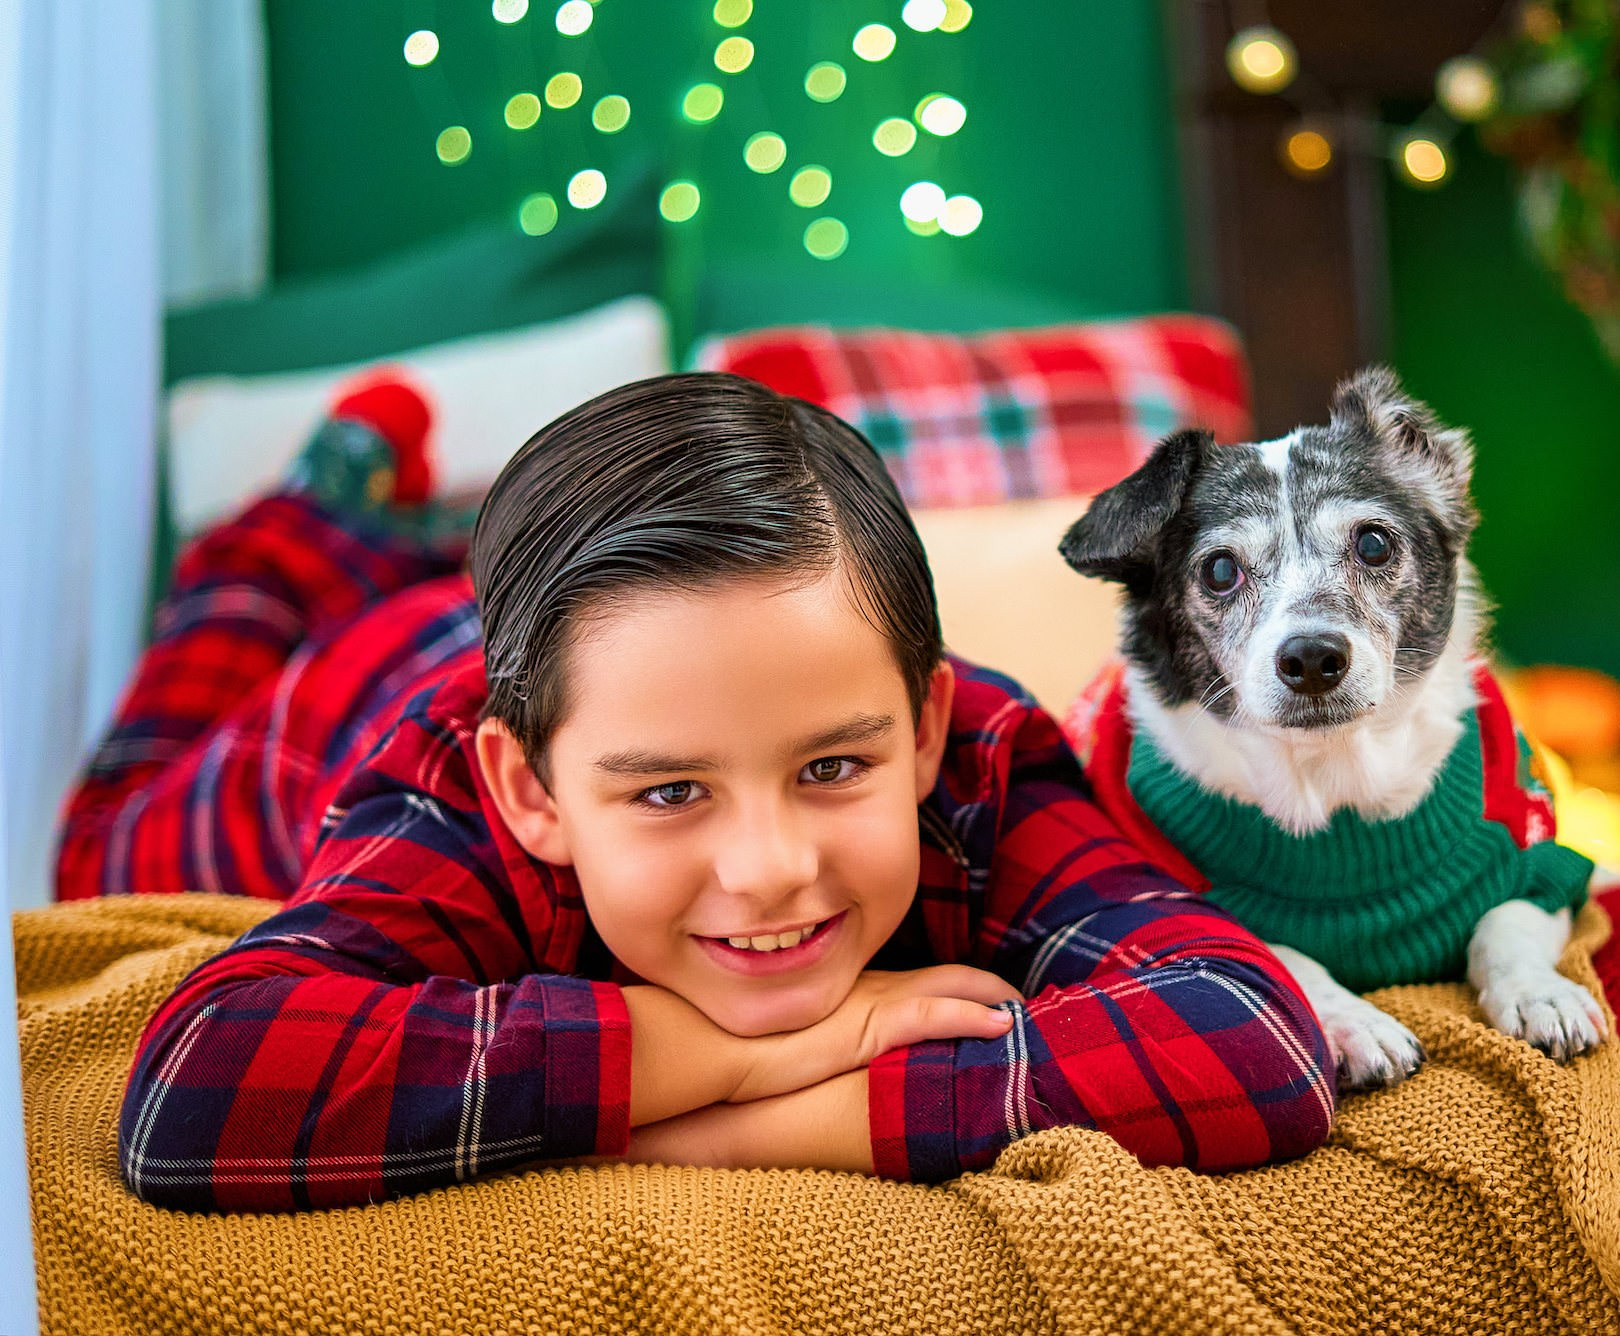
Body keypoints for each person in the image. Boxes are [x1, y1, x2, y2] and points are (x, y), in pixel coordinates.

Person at [67, 371, 1336, 1212]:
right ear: (534, 793)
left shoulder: (981, 761)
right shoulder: (450, 795)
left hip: (553, 656)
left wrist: (750, 1123)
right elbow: (194, 1085)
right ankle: (300, 514)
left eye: (833, 766)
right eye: (670, 793)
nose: (770, 868)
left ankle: (387, 526)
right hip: (351, 696)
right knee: (107, 826)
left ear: (924, 721)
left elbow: (1251, 1032)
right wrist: (742, 1052)